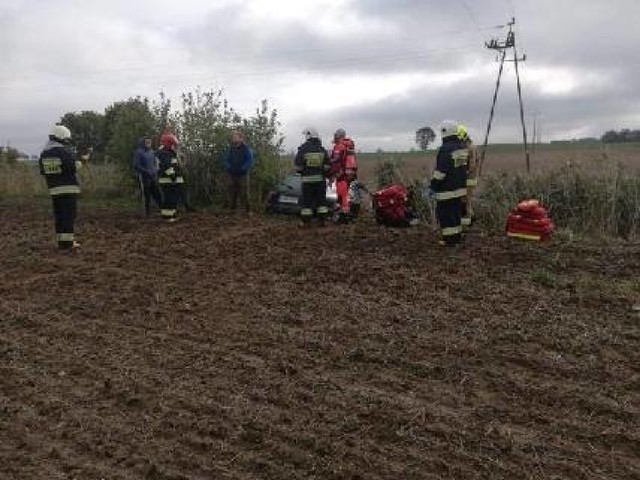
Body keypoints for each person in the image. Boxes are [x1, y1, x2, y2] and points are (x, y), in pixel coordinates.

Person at [38, 124, 82, 250]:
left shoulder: (44, 154)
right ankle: (68, 244)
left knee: (59, 216)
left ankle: (61, 242)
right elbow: (72, 168)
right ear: (62, 137)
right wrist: (82, 161)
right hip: (68, 189)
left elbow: (43, 171)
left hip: (54, 190)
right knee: (69, 215)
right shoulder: (64, 152)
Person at [429, 120, 468, 246]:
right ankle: (457, 237)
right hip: (459, 187)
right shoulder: (462, 147)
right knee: (456, 214)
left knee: (446, 216)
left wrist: (433, 186)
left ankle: (449, 241)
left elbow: (441, 172)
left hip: (446, 190)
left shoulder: (445, 149)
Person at [295, 128, 331, 227]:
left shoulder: (303, 149)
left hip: (307, 181)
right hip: (320, 181)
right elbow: (328, 166)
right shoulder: (322, 149)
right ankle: (322, 221)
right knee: (321, 202)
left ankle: (306, 223)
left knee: (307, 203)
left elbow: (298, 166)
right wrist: (321, 171)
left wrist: (303, 170)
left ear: (308, 136)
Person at [222, 130, 255, 213]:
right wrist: (228, 167)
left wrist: (243, 168)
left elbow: (250, 160)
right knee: (232, 191)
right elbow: (225, 159)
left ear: (241, 138)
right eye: (233, 137)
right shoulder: (231, 148)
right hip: (232, 173)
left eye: (235, 137)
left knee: (244, 192)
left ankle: (248, 210)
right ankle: (232, 209)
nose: (233, 139)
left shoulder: (246, 149)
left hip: (242, 174)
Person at [330, 128, 358, 223]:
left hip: (342, 174)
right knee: (345, 195)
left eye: (336, 135)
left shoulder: (339, 146)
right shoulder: (349, 146)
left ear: (339, 136)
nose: (334, 136)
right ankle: (346, 215)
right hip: (349, 174)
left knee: (342, 195)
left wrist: (328, 164)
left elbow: (336, 160)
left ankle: (344, 216)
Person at [156, 133, 183, 222]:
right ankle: (167, 217)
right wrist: (173, 177)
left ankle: (172, 215)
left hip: (171, 180)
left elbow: (175, 165)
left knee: (173, 198)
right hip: (168, 180)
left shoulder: (169, 153)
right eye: (173, 145)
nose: (174, 146)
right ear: (168, 144)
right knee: (169, 199)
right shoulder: (164, 153)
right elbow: (167, 167)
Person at [133, 137, 162, 216]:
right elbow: (136, 165)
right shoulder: (139, 152)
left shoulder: (152, 152)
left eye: (150, 142)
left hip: (153, 176)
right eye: (147, 142)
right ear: (143, 143)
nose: (149, 144)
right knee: (146, 194)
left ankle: (162, 209)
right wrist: (146, 171)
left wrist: (156, 170)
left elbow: (155, 162)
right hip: (144, 176)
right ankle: (147, 212)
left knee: (157, 193)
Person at [457, 125, 479, 227]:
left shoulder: (470, 147)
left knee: (466, 199)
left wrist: (464, 173)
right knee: (466, 199)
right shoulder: (467, 146)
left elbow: (472, 164)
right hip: (468, 177)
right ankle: (471, 217)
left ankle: (469, 219)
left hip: (469, 178)